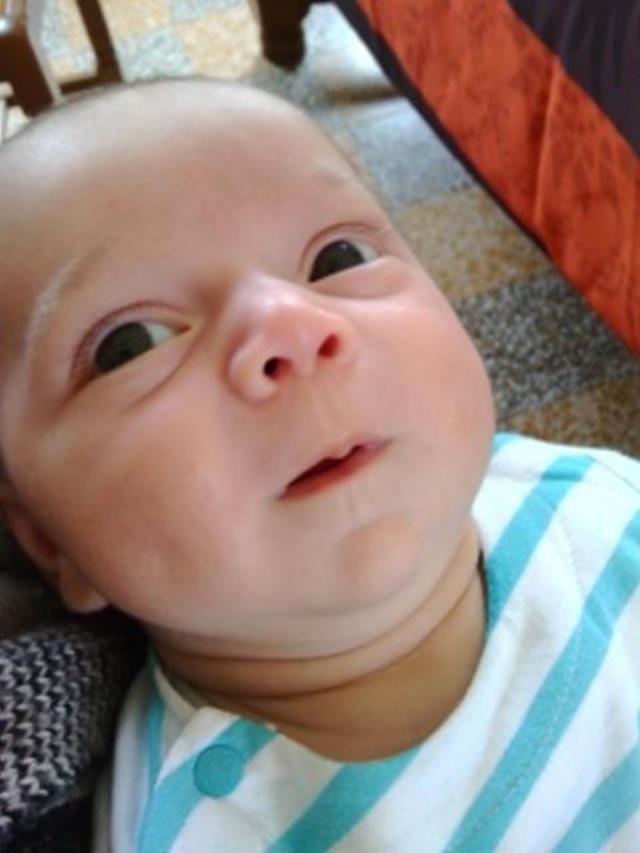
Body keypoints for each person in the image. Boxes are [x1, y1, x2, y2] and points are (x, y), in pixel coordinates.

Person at [0, 77, 638, 852]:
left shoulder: (600, 496)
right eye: (129, 345)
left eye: (339, 257)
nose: (290, 325)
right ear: (47, 539)